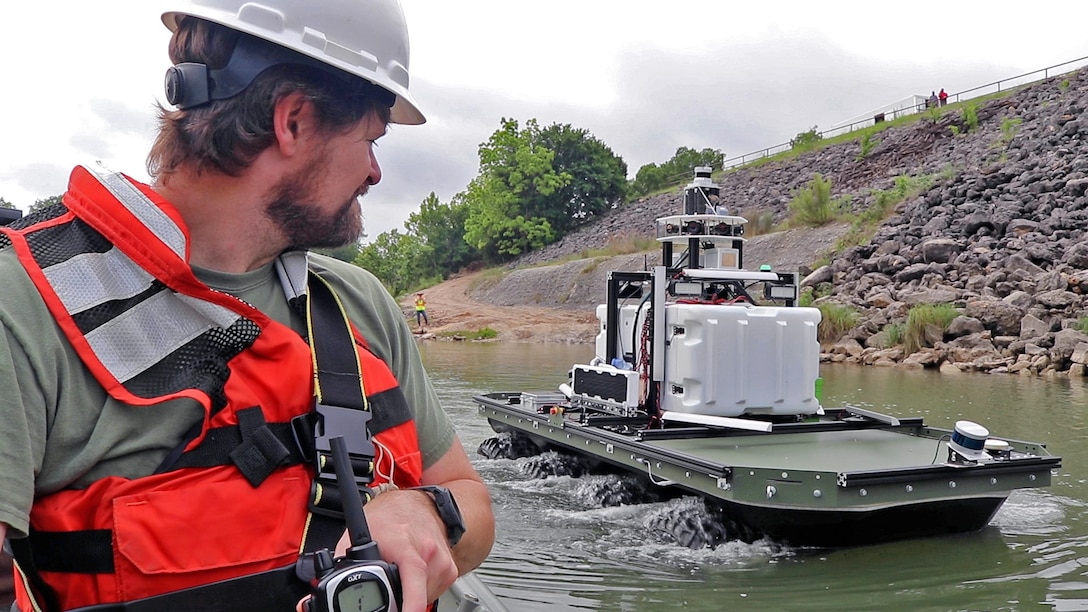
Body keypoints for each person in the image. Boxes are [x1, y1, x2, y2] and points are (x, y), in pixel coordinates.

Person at [0, 2, 495, 611]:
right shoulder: (19, 308)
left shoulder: (356, 302)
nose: (375, 171)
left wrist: (425, 508)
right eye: (370, 139)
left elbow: (468, 496)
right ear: (293, 121)